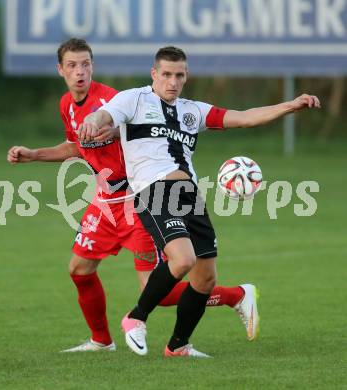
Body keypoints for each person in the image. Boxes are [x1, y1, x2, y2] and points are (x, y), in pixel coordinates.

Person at [7, 39, 259, 353]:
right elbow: (78, 147)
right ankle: (101, 341)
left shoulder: (113, 99)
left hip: (137, 198)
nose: (79, 71)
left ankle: (235, 295)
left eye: (85, 64)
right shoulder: (67, 105)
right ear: (61, 70)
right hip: (104, 202)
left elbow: (130, 128)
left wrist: (107, 125)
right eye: (72, 65)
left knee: (159, 291)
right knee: (80, 268)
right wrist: (34, 154)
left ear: (93, 66)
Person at [78, 46, 321, 357]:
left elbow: (244, 118)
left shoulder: (193, 111)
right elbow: (105, 114)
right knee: (182, 260)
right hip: (153, 191)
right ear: (154, 74)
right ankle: (136, 317)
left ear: (186, 76)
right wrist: (93, 121)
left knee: (205, 279)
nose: (173, 81)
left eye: (179, 75)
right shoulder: (134, 99)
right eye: (166, 74)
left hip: (190, 196)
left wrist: (290, 105)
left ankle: (178, 346)